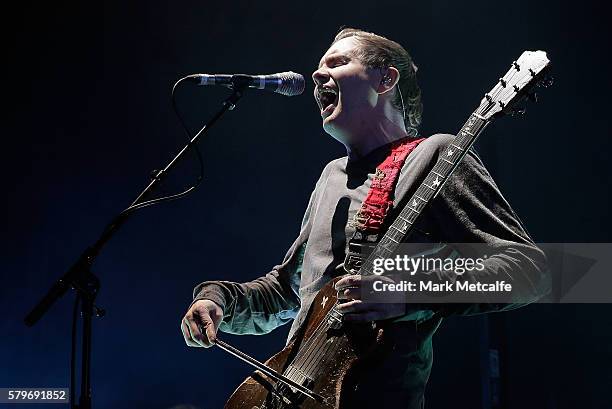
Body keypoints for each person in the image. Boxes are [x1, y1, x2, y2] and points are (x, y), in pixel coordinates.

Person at [180, 28, 547, 408]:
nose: (318, 76)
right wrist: (218, 300)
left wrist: (409, 292)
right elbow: (288, 291)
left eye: (337, 63)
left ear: (386, 79)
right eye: (319, 67)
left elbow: (531, 271)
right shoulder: (330, 178)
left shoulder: (437, 156)